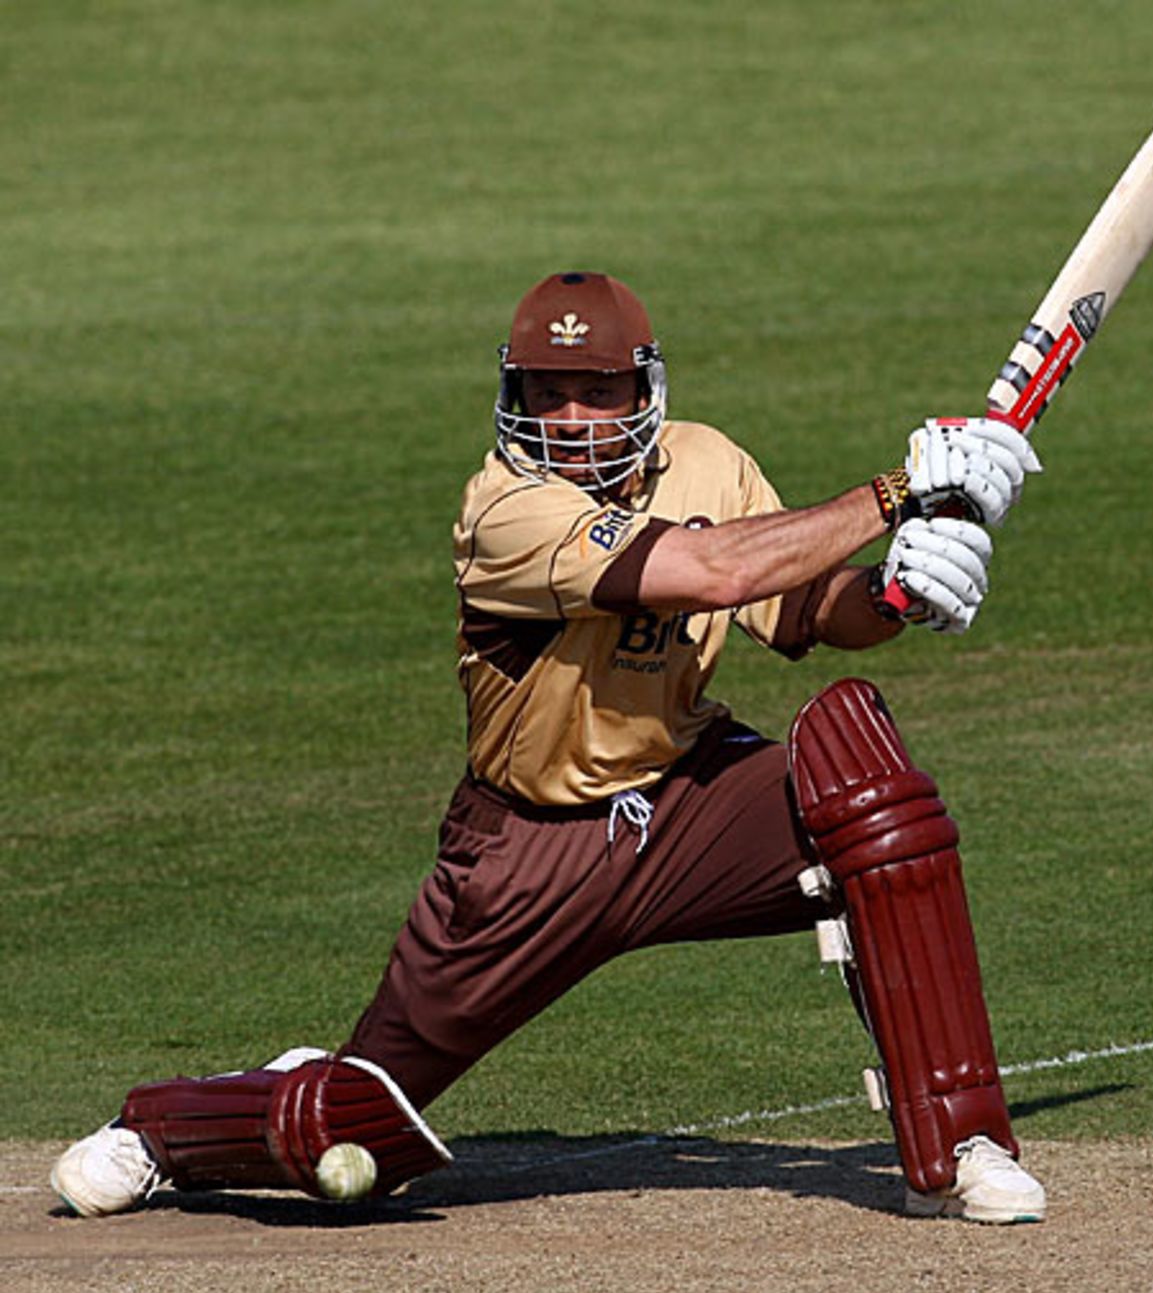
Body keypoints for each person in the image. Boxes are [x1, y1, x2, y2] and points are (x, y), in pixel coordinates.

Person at [51, 270, 1046, 1224]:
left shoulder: (706, 461)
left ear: (644, 391)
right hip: (524, 855)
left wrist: (893, 591)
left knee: (870, 793)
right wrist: (897, 490)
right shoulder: (506, 512)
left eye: (596, 392)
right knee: (347, 1129)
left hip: (686, 802)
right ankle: (163, 1129)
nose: (569, 417)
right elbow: (710, 572)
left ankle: (954, 1143)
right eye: (547, 392)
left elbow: (801, 609)